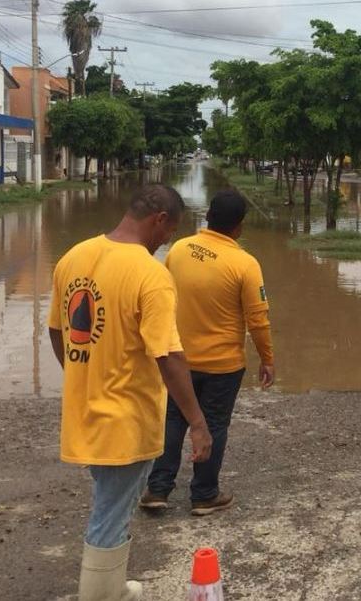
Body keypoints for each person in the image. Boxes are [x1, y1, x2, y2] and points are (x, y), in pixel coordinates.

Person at [48, 184, 213, 601]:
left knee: (111, 506)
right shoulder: (150, 273)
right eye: (169, 231)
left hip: (84, 412)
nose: (166, 241)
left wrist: (82, 373)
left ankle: (114, 588)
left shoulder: (74, 257)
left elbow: (57, 330)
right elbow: (169, 356)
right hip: (126, 418)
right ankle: (101, 595)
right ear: (159, 219)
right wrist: (197, 422)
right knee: (110, 515)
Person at [141, 189, 275, 516]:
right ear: (239, 226)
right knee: (213, 423)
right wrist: (267, 358)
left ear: (208, 217)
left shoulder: (179, 249)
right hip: (223, 365)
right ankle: (204, 494)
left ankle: (157, 489)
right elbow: (258, 320)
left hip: (178, 358)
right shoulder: (245, 264)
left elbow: (164, 295)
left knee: (174, 418)